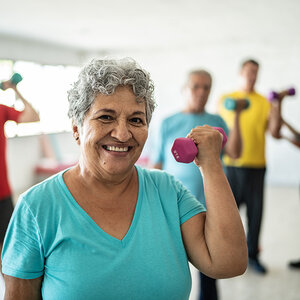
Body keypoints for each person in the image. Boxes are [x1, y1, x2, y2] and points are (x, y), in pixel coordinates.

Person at [1, 58, 248, 300]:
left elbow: (228, 262)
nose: (122, 133)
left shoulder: (168, 191)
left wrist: (211, 163)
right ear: (77, 129)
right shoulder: (36, 207)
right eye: (106, 117)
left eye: (136, 120)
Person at [150, 69, 245, 300]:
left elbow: (235, 151)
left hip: (210, 207)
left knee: (211, 268)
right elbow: (156, 165)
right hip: (176, 209)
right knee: (171, 267)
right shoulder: (168, 122)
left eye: (206, 87)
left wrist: (237, 117)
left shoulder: (217, 121)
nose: (201, 92)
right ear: (185, 89)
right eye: (195, 86)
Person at [218, 58, 282, 275]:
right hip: (231, 166)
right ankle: (225, 255)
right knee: (228, 215)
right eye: (248, 71)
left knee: (255, 215)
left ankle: (253, 255)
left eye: (255, 72)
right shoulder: (225, 99)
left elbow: (274, 132)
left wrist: (277, 107)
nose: (251, 75)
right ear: (240, 73)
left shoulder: (264, 102)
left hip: (257, 166)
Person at [0, 81, 40, 276]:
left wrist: (15, 90)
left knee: (8, 245)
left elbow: (33, 116)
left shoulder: (1, 110)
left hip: (2, 193)